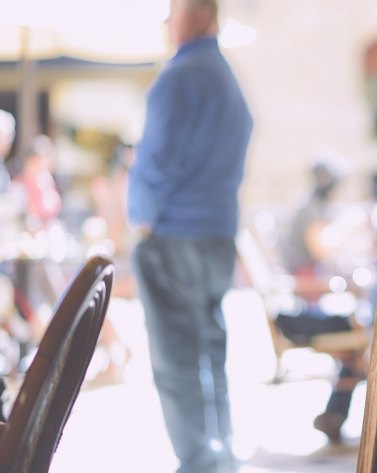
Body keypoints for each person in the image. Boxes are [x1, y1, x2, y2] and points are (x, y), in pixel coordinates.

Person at [126, 0, 253, 471]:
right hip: (217, 232)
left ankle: (200, 462)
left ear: (199, 15)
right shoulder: (226, 77)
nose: (165, 21)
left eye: (173, 11)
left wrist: (141, 217)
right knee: (210, 353)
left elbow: (156, 160)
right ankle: (220, 454)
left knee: (177, 363)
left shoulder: (179, 77)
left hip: (175, 232)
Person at [279, 158, 368, 443]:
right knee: (366, 333)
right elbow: (322, 252)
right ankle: (336, 416)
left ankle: (334, 416)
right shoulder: (310, 211)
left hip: (305, 298)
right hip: (305, 300)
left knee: (362, 332)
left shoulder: (308, 207)